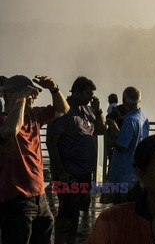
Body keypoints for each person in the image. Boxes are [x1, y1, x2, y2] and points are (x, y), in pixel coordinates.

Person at [0, 75, 69, 244]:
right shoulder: (3, 121)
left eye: (34, 93)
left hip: (40, 196)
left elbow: (63, 109)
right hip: (15, 201)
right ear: (9, 96)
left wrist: (54, 88)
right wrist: (22, 100)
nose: (33, 96)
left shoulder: (35, 115)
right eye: (27, 92)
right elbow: (10, 130)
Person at [46, 76, 105, 244]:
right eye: (88, 93)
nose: (90, 97)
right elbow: (51, 142)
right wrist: (61, 172)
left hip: (84, 172)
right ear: (77, 91)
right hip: (68, 173)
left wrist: (98, 109)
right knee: (67, 211)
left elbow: (100, 130)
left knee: (76, 211)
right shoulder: (63, 110)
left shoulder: (87, 110)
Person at [108, 86, 150, 203]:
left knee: (120, 211)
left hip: (123, 174)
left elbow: (122, 147)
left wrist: (114, 131)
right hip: (135, 173)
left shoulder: (129, 120)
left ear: (124, 100)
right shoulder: (144, 118)